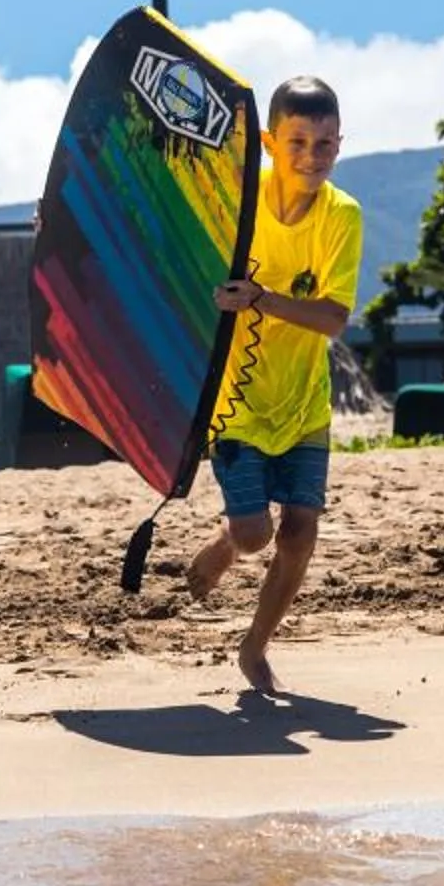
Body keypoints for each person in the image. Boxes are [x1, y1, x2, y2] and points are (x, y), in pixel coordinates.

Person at [183, 75, 363, 696]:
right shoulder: (236, 200)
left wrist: (260, 300)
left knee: (301, 532)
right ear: (268, 141)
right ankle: (232, 539)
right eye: (297, 142)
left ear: (340, 145)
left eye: (324, 144)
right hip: (237, 403)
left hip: (305, 402)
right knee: (258, 534)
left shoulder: (342, 216)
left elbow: (334, 319)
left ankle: (255, 649)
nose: (311, 157)